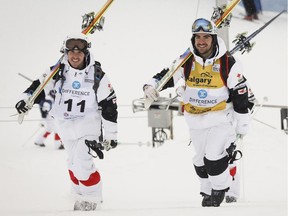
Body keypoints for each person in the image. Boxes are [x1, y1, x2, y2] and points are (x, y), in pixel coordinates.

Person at [143, 18, 254, 207]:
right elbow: (166, 75)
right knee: (200, 159)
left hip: (220, 118)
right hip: (195, 119)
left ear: (213, 38)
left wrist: (242, 124)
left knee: (213, 156)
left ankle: (221, 188)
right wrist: (151, 86)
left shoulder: (228, 62)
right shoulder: (186, 60)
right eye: (197, 37)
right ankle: (208, 190)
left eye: (205, 37)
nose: (201, 41)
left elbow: (241, 96)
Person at [15, 33, 118, 211]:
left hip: (88, 124)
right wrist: (25, 100)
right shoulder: (56, 72)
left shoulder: (97, 75)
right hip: (64, 125)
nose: (75, 55)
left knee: (82, 163)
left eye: (79, 51)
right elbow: (37, 88)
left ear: (86, 52)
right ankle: (78, 196)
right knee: (72, 162)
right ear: (65, 52)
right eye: (71, 51)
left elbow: (109, 106)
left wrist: (111, 135)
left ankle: (92, 199)